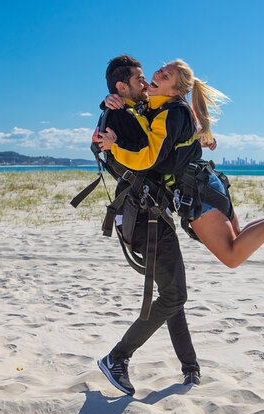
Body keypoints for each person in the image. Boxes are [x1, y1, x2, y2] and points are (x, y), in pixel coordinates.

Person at [98, 59, 264, 270]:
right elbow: (140, 111)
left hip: (196, 192)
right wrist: (107, 100)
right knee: (237, 237)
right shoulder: (162, 107)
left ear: (175, 91)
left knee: (232, 256)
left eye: (165, 76)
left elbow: (149, 156)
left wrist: (114, 146)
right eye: (160, 70)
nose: (155, 75)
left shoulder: (169, 114)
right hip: (207, 182)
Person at [95, 56, 201, 396]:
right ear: (121, 87)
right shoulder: (120, 115)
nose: (146, 83)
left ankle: (190, 367)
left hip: (149, 214)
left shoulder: (129, 112)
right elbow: (145, 159)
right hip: (145, 217)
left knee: (173, 293)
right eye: (140, 79)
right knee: (174, 294)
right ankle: (117, 357)